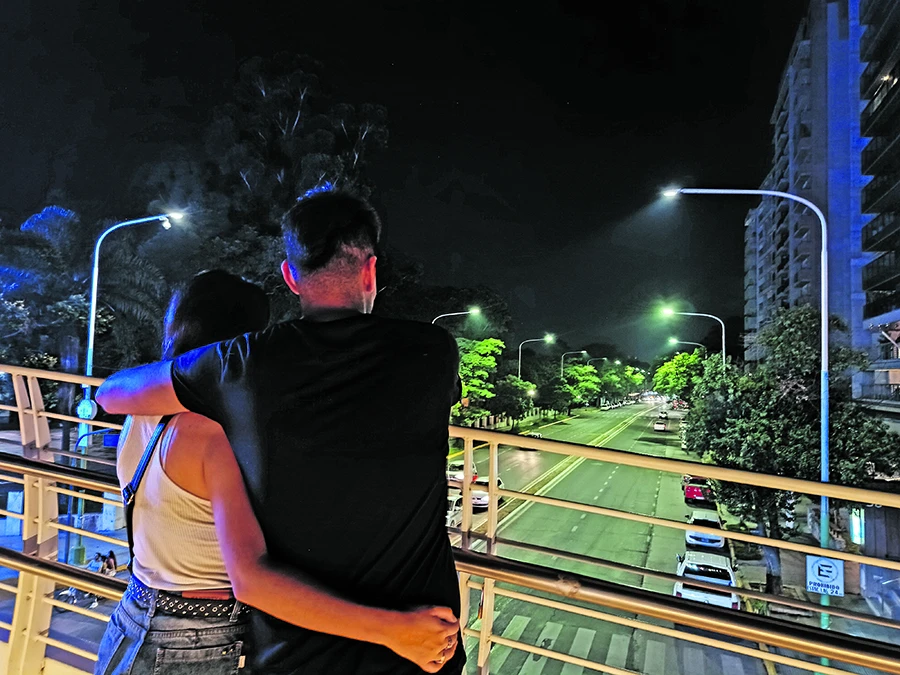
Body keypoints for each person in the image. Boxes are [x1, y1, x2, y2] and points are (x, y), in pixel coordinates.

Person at [97, 191, 465, 675]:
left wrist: (200, 378)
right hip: (425, 648)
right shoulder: (434, 351)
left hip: (289, 654)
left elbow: (112, 393)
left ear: (291, 278)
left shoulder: (242, 366)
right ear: (372, 271)